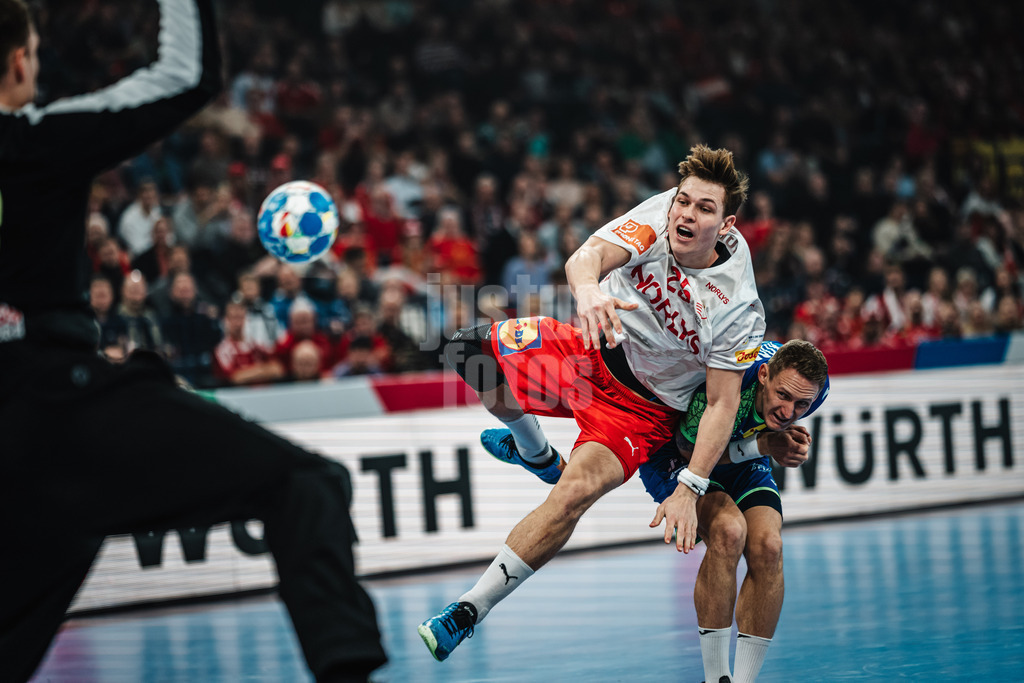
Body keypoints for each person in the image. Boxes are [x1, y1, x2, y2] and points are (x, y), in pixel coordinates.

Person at [0, 1, 386, 681]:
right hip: (52, 401)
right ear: (18, 62)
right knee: (305, 482)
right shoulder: (34, 139)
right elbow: (184, 73)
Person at [419, 145, 765, 661]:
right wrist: (587, 291)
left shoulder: (738, 305)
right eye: (684, 201)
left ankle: (468, 610)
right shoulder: (660, 215)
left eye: (704, 208)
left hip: (640, 411)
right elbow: (586, 257)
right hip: (590, 353)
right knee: (466, 349)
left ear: (726, 224)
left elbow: (721, 403)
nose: (687, 214)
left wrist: (690, 486)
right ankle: (535, 452)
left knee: (573, 494)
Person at [638, 339, 829, 683]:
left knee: (769, 546)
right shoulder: (730, 379)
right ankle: (715, 679)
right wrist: (762, 445)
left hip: (740, 452)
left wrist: (776, 443)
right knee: (728, 531)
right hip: (679, 454)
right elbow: (690, 450)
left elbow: (773, 423)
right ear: (764, 375)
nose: (789, 412)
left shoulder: (816, 389)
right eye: (783, 396)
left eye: (802, 404)